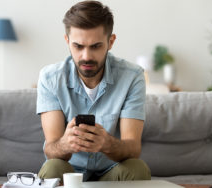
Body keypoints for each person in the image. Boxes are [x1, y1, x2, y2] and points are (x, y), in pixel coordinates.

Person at [36, 0, 151, 182]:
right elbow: (51, 149)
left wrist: (107, 144)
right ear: (67, 41)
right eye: (78, 46)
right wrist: (65, 144)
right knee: (53, 167)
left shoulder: (132, 77)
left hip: (111, 172)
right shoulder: (50, 78)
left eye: (95, 46)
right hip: (70, 174)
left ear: (110, 42)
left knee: (137, 169)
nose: (86, 56)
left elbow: (133, 148)